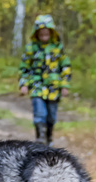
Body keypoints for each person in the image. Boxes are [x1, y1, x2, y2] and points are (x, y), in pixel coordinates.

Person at [18, 14, 71, 146]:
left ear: (52, 33)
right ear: (36, 34)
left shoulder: (57, 48)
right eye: (41, 34)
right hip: (37, 86)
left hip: (54, 87)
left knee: (51, 116)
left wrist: (64, 85)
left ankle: (49, 136)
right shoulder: (31, 49)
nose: (44, 37)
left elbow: (65, 66)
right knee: (39, 113)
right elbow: (25, 67)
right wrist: (24, 84)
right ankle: (40, 138)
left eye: (46, 34)